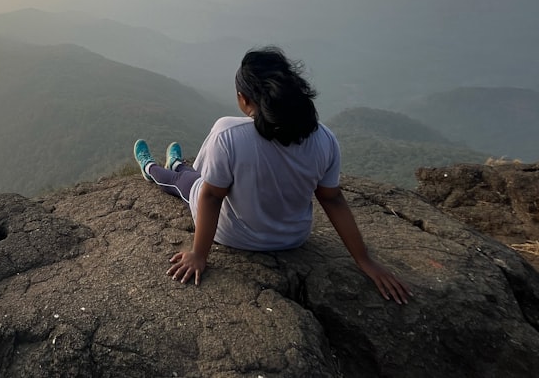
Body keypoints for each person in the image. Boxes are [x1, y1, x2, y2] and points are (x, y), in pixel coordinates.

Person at [134, 46, 411, 304]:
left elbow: (211, 196)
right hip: (293, 238)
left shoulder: (228, 134)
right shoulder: (324, 139)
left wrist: (198, 255)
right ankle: (176, 163)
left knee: (190, 182)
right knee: (199, 178)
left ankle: (154, 169)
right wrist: (364, 260)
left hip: (234, 236)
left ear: (243, 99)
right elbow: (333, 200)